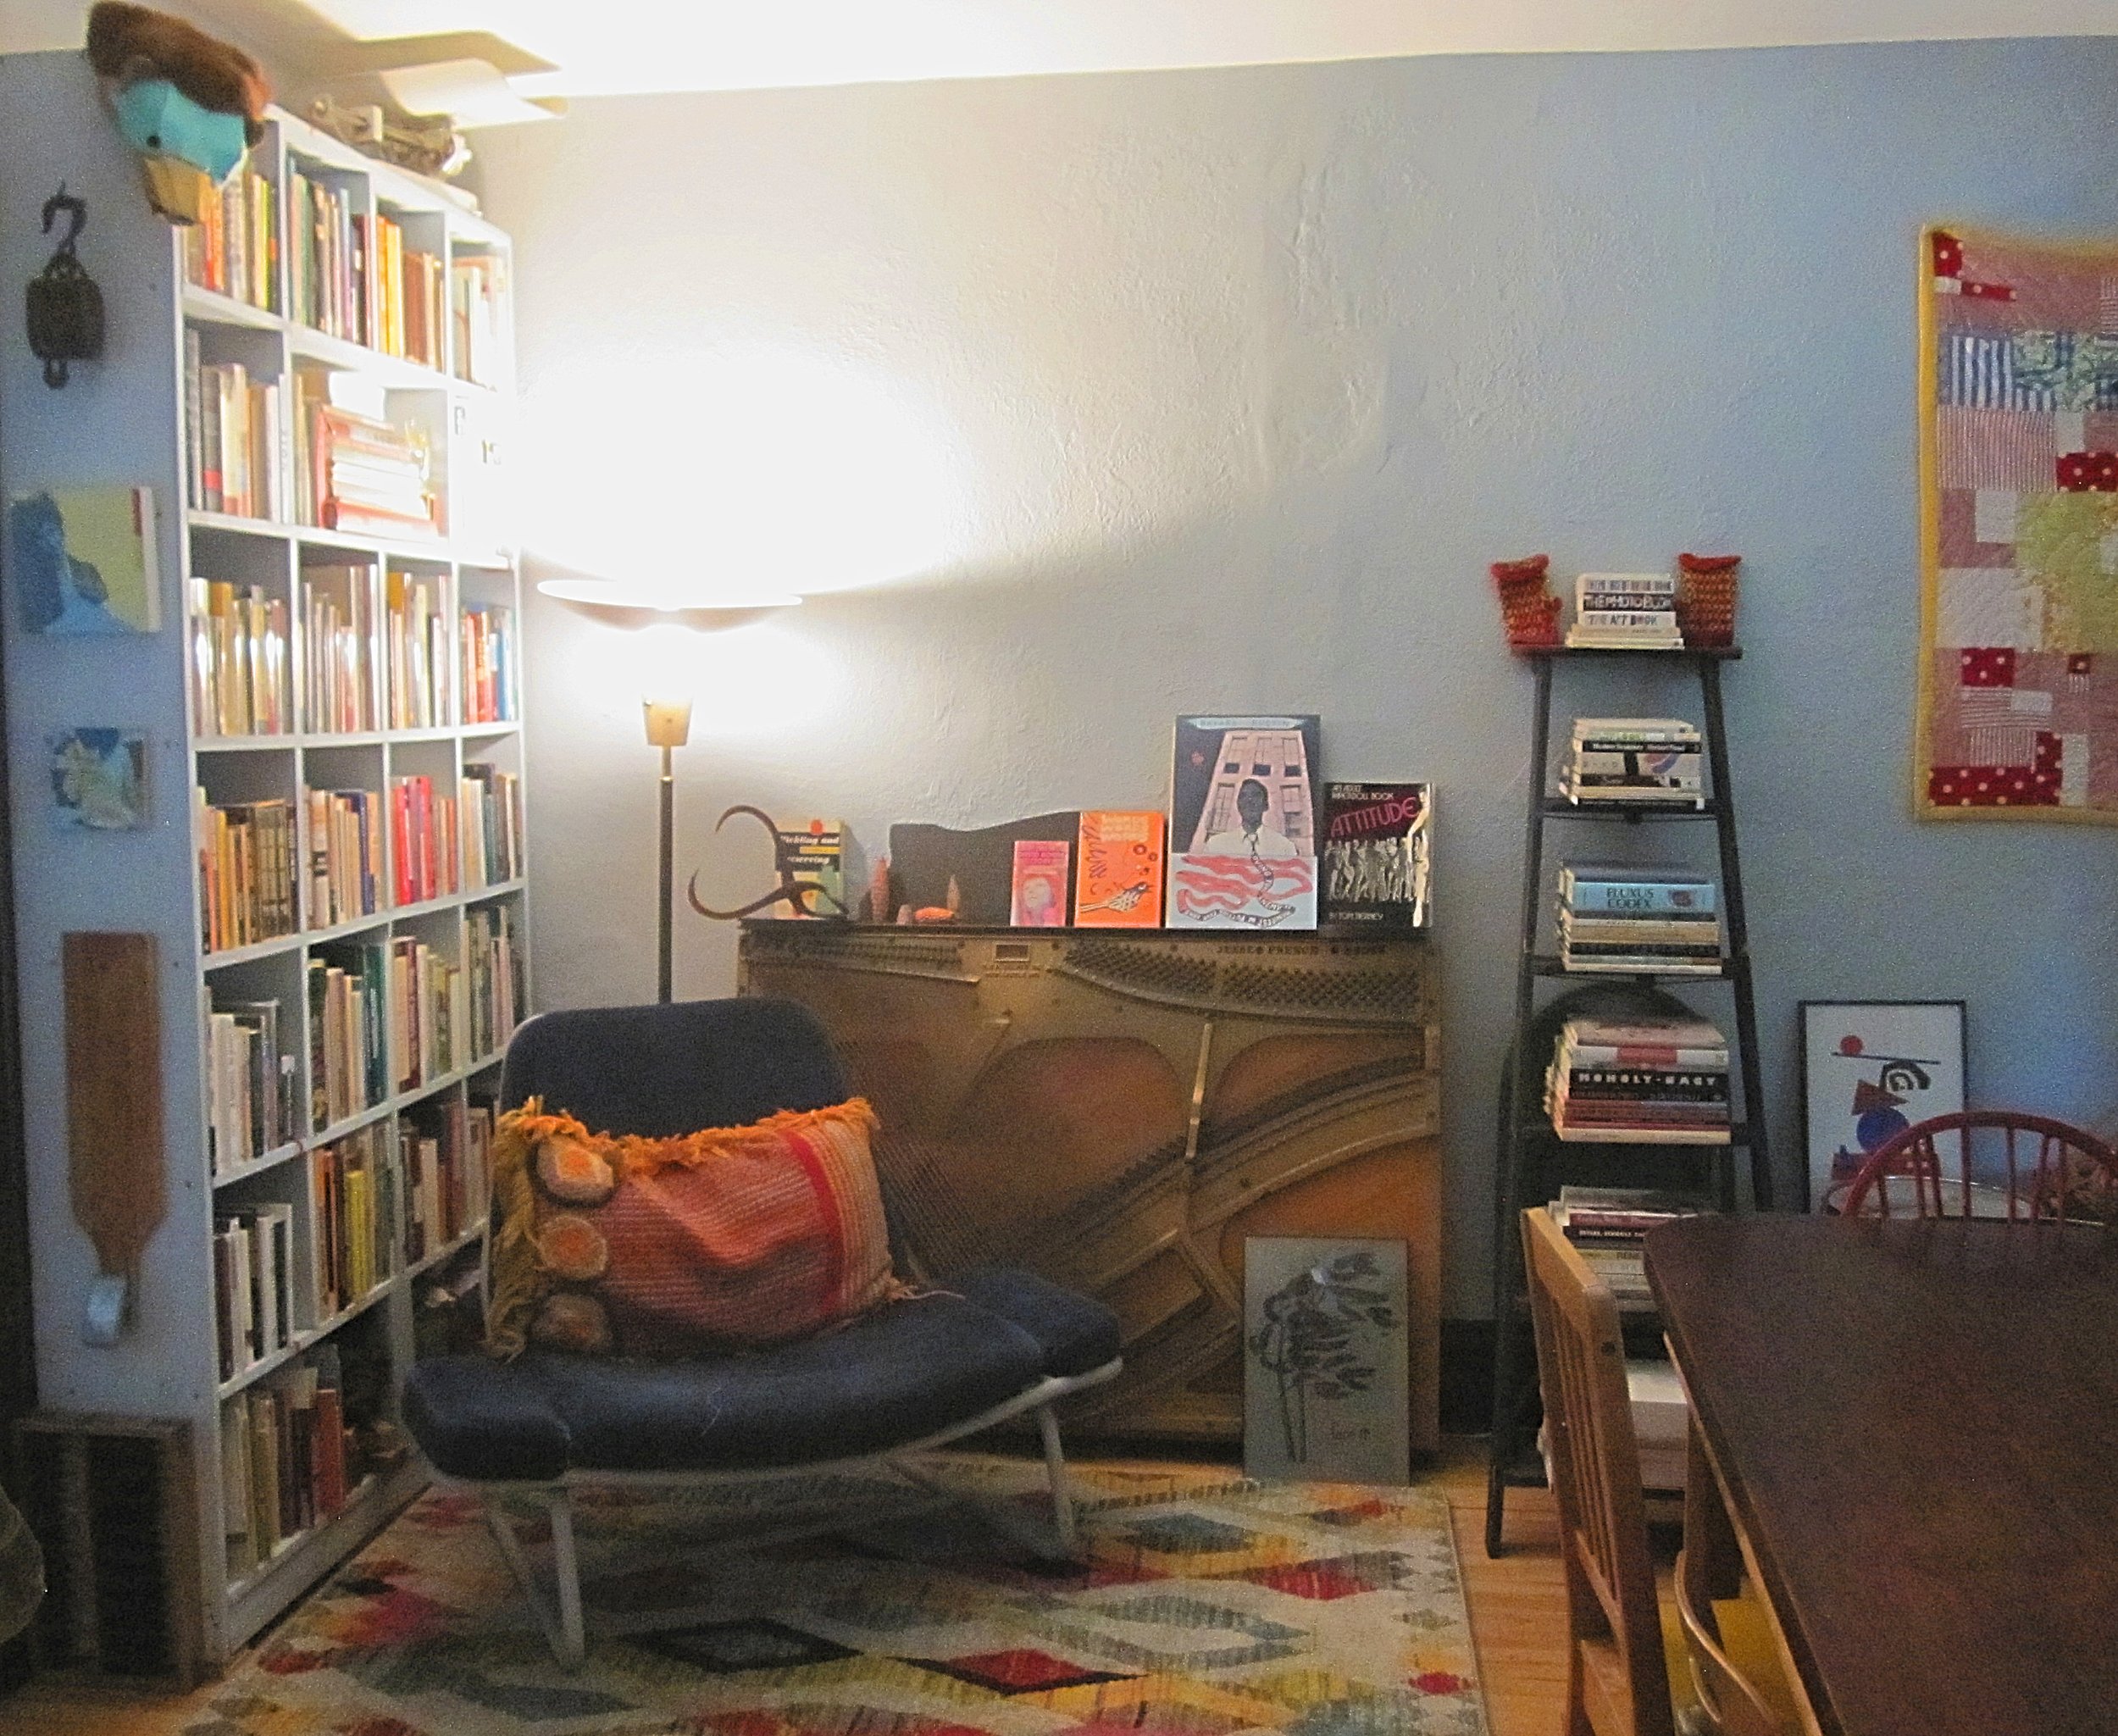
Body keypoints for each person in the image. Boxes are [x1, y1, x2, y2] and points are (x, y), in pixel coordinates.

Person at [1202, 778, 1298, 858]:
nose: (1249, 800)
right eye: (1243, 796)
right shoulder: (1216, 845)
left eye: (1256, 795)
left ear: (1266, 805)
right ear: (1238, 805)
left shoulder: (1285, 847)